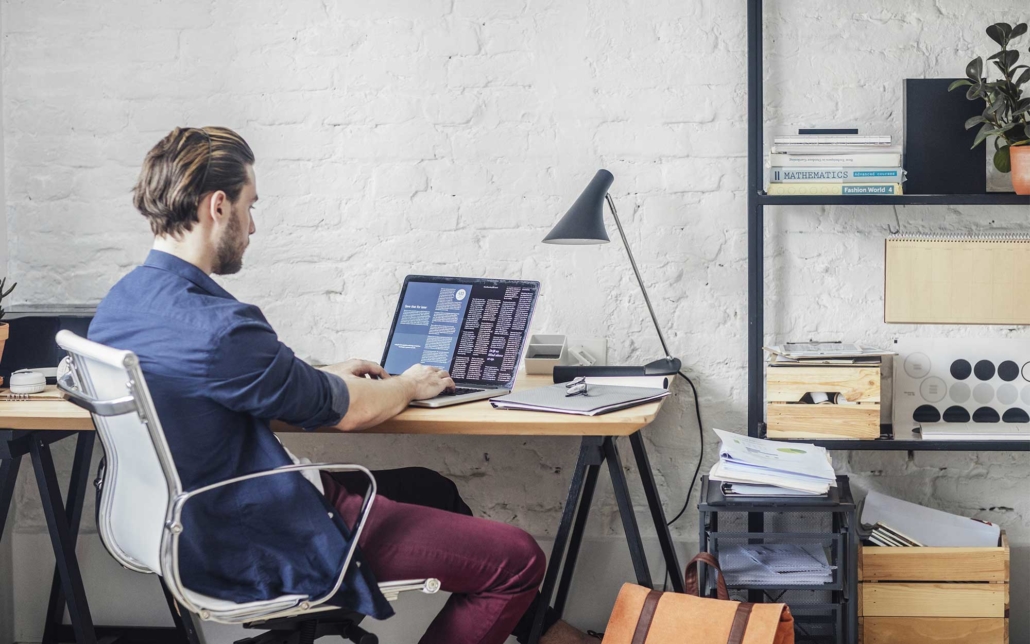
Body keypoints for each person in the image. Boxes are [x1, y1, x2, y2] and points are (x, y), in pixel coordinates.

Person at [88, 126, 595, 644]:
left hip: (189, 528)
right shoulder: (221, 327)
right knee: (518, 559)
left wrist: (320, 375)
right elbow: (349, 412)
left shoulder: (122, 304)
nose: (253, 226)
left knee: (432, 488)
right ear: (219, 205)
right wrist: (409, 384)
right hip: (265, 532)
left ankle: (551, 635)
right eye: (250, 205)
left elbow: (223, 386)